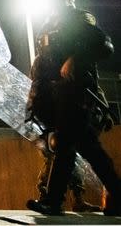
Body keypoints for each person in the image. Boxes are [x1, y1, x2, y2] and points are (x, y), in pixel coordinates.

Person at [26, 0, 121, 216]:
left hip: (75, 94)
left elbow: (104, 45)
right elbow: (43, 62)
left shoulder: (78, 19)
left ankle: (53, 201)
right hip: (57, 97)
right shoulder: (49, 24)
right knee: (87, 148)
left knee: (68, 146)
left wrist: (76, 59)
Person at [33, 82, 114, 212]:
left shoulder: (74, 67)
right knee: (62, 156)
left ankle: (58, 200)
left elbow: (93, 86)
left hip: (75, 115)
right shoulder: (52, 69)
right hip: (62, 117)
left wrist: (106, 113)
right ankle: (51, 199)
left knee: (79, 156)